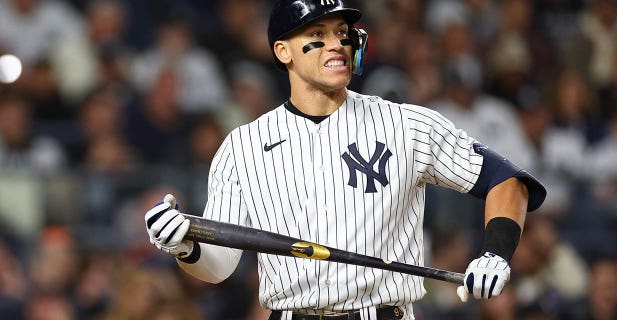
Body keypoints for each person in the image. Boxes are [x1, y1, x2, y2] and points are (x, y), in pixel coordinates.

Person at [143, 1, 547, 319]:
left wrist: (495, 252)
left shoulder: (405, 124)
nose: (336, 43)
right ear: (283, 51)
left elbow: (505, 179)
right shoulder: (242, 145)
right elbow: (219, 266)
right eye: (317, 34)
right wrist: (185, 247)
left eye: (341, 32)